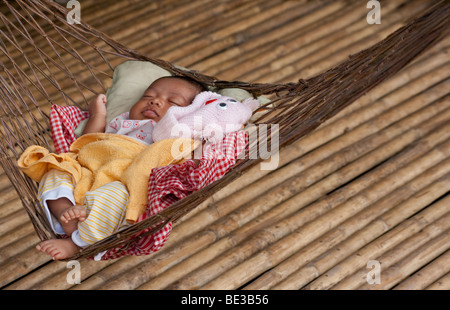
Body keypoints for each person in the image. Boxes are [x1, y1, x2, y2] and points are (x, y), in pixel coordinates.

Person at [36, 76, 206, 260]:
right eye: (147, 96)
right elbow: (89, 140)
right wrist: (97, 115)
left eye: (173, 102)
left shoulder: (177, 136)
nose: (155, 100)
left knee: (118, 197)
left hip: (123, 180)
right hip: (90, 170)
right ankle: (64, 210)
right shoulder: (123, 121)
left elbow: (190, 164)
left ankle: (77, 243)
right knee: (56, 169)